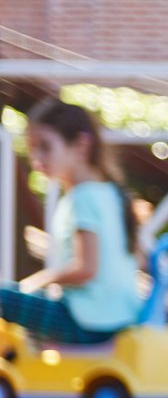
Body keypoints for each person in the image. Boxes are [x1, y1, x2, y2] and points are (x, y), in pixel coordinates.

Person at [4, 100, 142, 343]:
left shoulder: (82, 198)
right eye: (32, 149)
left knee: (4, 296)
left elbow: (86, 269)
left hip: (86, 323)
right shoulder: (111, 192)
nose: (37, 158)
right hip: (119, 319)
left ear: (80, 144)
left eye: (45, 147)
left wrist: (39, 281)